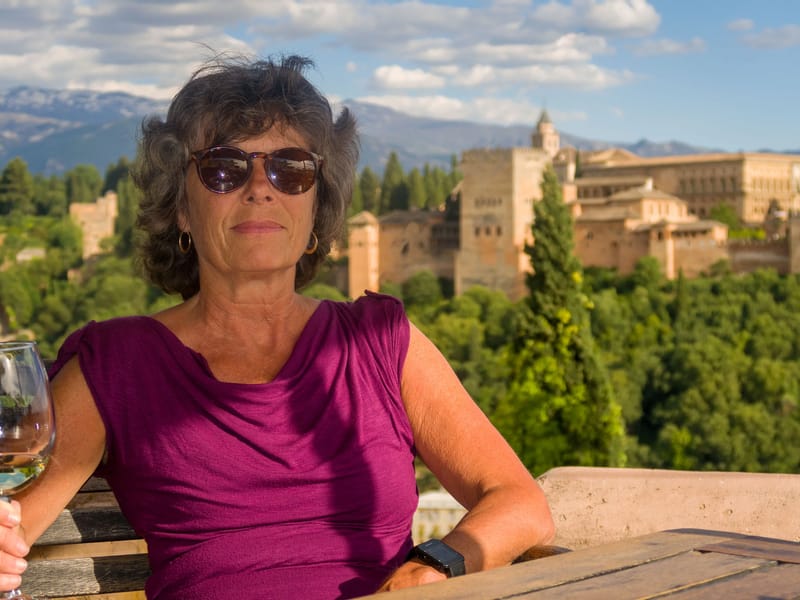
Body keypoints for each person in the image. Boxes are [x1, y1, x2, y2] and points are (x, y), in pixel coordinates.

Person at [0, 54, 554, 599]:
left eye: (291, 169)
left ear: (316, 207)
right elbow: (12, 522)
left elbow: (520, 502)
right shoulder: (118, 366)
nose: (261, 188)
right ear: (182, 209)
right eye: (224, 169)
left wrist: (432, 569)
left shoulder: (381, 345)